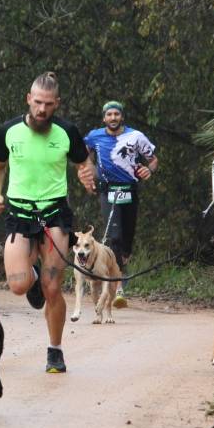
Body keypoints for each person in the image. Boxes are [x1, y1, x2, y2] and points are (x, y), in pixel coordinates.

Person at [0, 72, 95, 373]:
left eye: (48, 104)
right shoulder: (8, 130)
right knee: (19, 286)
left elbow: (84, 162)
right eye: (37, 103)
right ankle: (31, 275)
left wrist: (87, 174)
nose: (42, 109)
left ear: (56, 103)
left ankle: (55, 350)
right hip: (20, 214)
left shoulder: (67, 131)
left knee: (52, 288)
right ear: (28, 100)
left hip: (54, 214)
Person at [83, 100, 158, 308]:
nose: (113, 118)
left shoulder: (136, 136)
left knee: (126, 241)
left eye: (116, 114)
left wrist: (149, 170)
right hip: (108, 190)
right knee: (113, 236)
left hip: (130, 190)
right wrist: (88, 171)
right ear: (104, 118)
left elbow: (153, 160)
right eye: (109, 115)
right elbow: (81, 155)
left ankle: (122, 261)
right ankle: (118, 286)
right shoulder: (94, 136)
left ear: (121, 116)